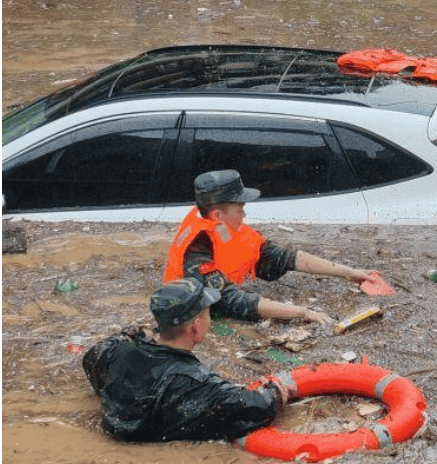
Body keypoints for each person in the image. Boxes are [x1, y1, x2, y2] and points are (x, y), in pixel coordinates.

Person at [83, 278, 295, 442]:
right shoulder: (199, 382)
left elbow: (92, 355)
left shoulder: (117, 354)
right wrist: (276, 391)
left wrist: (133, 334)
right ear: (195, 325)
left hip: (119, 431)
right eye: (208, 315)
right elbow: (258, 406)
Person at [163, 170, 383, 325]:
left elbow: (283, 257)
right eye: (240, 209)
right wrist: (303, 313)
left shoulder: (227, 227)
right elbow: (233, 302)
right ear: (218, 215)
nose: (245, 214)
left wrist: (348, 273)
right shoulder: (197, 250)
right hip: (190, 313)